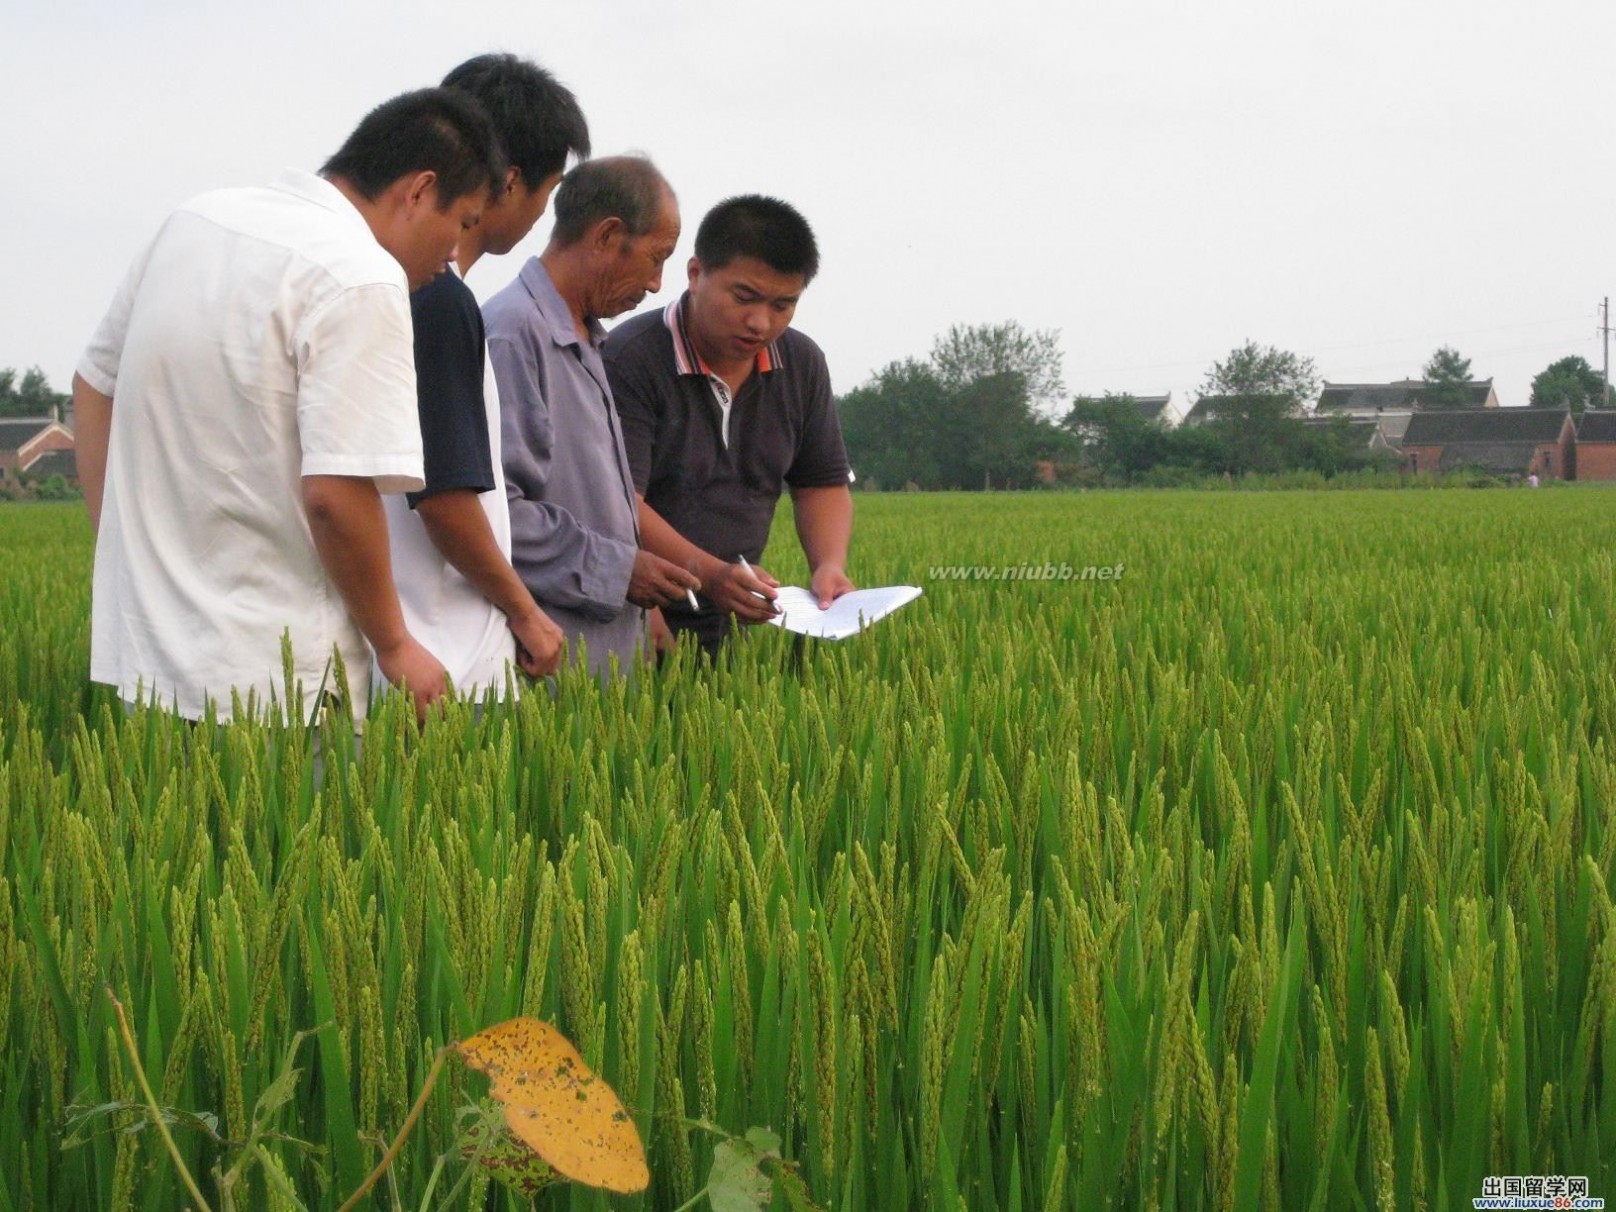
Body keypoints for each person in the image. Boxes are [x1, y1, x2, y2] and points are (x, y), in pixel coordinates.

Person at [72, 88, 501, 723]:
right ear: (417, 190)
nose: (454, 254)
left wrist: (126, 550)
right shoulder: (360, 275)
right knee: (293, 824)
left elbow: (93, 385)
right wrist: (395, 643)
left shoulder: (194, 221)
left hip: (151, 660)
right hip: (282, 684)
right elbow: (336, 493)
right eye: (462, 223)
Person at [382, 54, 590, 700]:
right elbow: (443, 496)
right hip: (442, 660)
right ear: (509, 182)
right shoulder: (440, 300)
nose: (539, 219)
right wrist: (525, 611)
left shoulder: (392, 290)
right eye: (548, 196)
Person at [602, 195, 854, 658]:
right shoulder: (629, 359)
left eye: (783, 305)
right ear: (696, 274)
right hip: (635, 610)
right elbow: (619, 504)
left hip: (733, 614)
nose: (761, 322)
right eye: (744, 298)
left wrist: (829, 564)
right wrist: (704, 577)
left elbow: (821, 484)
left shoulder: (802, 364)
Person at [485, 155, 700, 676]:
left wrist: (639, 602)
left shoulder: (588, 339)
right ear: (606, 236)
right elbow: (492, 514)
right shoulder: (512, 334)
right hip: (547, 669)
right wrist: (618, 571)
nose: (656, 284)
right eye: (656, 258)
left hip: (605, 664)